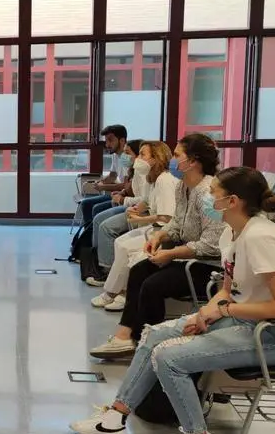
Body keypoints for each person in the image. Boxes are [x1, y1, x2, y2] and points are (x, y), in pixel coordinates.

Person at [71, 167, 275, 434]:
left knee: (169, 357)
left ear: (233, 201)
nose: (210, 199)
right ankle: (114, 418)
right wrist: (204, 314)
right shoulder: (235, 231)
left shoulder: (261, 238)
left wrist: (225, 311)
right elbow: (228, 290)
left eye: (215, 195)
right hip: (246, 322)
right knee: (154, 335)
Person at [90, 134, 225, 359]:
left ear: (193, 161)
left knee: (153, 284)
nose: (172, 160)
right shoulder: (184, 187)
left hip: (207, 267)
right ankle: (124, 337)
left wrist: (171, 253)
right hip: (186, 256)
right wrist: (160, 237)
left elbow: (211, 246)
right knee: (139, 270)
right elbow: (177, 223)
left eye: (177, 155)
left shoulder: (208, 193)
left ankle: (147, 342)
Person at [91, 141, 179, 310]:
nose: (138, 158)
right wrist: (135, 209)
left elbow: (166, 217)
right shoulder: (154, 178)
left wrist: (139, 219)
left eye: (142, 155)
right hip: (155, 227)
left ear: (155, 159)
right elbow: (146, 200)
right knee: (120, 243)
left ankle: (117, 293)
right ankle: (114, 291)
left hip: (163, 230)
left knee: (126, 248)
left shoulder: (165, 180)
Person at [85, 139, 146, 287]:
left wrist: (123, 199)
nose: (124, 156)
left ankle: (108, 272)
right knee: (98, 216)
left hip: (139, 210)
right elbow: (130, 188)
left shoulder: (144, 173)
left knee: (106, 225)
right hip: (132, 205)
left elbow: (145, 199)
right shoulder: (134, 170)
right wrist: (123, 192)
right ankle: (97, 261)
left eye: (128, 153)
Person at [80, 125, 129, 225]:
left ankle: (94, 236)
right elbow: (112, 176)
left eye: (110, 140)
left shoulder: (127, 158)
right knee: (85, 204)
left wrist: (103, 187)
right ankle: (89, 237)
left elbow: (126, 185)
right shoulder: (115, 155)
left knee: (96, 209)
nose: (107, 145)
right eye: (106, 141)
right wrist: (101, 182)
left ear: (122, 140)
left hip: (125, 195)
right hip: (116, 193)